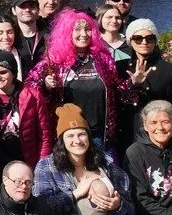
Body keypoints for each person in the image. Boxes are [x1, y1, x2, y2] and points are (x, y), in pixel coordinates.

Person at [28, 9, 123, 153]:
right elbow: (30, 86)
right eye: (77, 29)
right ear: (67, 33)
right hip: (69, 136)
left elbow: (118, 89)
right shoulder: (54, 61)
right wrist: (45, 86)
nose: (83, 34)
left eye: (88, 29)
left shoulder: (103, 59)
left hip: (100, 135)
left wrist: (135, 83)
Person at [121, 19, 172, 149]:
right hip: (129, 136)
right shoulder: (121, 68)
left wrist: (167, 127)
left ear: (155, 41)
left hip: (162, 137)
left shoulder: (169, 70)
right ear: (130, 42)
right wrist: (134, 85)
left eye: (150, 38)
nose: (144, 42)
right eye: (138, 38)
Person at [0, 50, 32, 183]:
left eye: (3, 72)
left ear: (14, 73)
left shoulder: (30, 95)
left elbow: (43, 132)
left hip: (23, 156)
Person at [9, 0, 45, 71]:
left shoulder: (49, 36)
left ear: (38, 10)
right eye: (22, 6)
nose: (27, 10)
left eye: (31, 6)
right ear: (13, 10)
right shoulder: (8, 37)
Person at [98, 1, 134, 75]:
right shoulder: (94, 44)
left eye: (117, 17)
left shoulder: (131, 44)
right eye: (109, 17)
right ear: (100, 19)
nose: (114, 21)